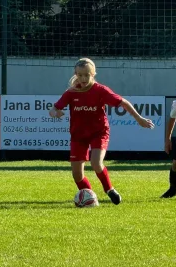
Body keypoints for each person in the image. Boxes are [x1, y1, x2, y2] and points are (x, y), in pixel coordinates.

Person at [49, 58, 154, 205]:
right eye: (80, 75)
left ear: (93, 74)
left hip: (98, 132)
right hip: (78, 135)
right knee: (77, 174)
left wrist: (139, 119)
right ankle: (90, 198)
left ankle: (109, 189)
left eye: (87, 75)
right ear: (75, 74)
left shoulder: (100, 90)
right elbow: (53, 109)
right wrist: (55, 113)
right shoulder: (71, 92)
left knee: (96, 163)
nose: (83, 78)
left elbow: (123, 102)